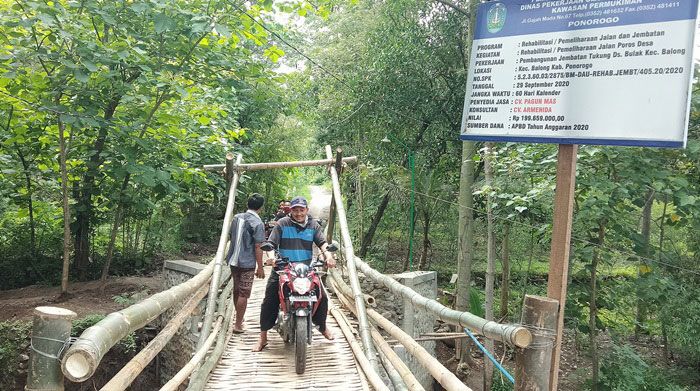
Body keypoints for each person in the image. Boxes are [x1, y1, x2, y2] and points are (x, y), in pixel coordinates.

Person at [252, 196, 335, 352]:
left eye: (301, 210)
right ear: (290, 210)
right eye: (295, 210)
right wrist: (271, 258)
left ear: (306, 210)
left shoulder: (313, 225)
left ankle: (322, 327)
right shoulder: (282, 223)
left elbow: (322, 243)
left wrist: (328, 256)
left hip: (307, 270)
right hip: (283, 269)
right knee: (269, 299)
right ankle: (262, 337)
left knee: (322, 297)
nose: (298, 213)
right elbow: (271, 244)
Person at [225, 193, 266, 333]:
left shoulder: (236, 218)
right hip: (247, 262)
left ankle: (239, 319)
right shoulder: (258, 223)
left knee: (237, 289)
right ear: (261, 207)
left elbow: (231, 236)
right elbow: (258, 246)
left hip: (233, 260)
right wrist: (260, 267)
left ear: (247, 204)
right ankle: (238, 325)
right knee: (244, 293)